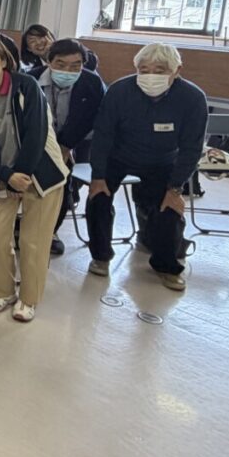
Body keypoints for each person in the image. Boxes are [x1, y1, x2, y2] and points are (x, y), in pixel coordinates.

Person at [0, 37, 68, 321]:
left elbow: (36, 134)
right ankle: (3, 291)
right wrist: (7, 176)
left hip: (42, 173)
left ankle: (29, 298)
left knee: (33, 241)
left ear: (3, 60)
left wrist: (22, 176)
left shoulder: (27, 86)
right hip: (1, 176)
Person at [85, 43, 207, 291]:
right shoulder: (120, 91)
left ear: (176, 71)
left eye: (160, 71)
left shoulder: (193, 98)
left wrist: (175, 188)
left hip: (163, 160)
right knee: (98, 198)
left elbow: (191, 147)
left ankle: (166, 266)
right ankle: (100, 257)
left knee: (169, 209)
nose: (151, 76)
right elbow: (103, 135)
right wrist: (98, 176)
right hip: (118, 156)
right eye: (144, 70)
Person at [32, 38, 106, 256]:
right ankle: (23, 227)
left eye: (76, 66)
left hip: (74, 141)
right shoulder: (31, 79)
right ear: (49, 61)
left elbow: (89, 119)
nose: (68, 71)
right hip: (35, 140)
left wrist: (64, 147)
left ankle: (50, 232)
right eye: (61, 64)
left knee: (63, 182)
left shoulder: (91, 83)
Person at [21, 23, 100, 74]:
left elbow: (92, 63)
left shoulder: (68, 45)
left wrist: (53, 47)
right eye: (32, 41)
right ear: (29, 49)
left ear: (50, 36)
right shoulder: (35, 71)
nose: (38, 42)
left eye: (41, 37)